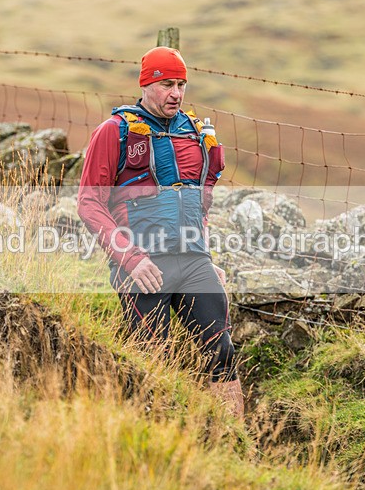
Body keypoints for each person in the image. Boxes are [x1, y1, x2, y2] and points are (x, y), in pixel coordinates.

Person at [77, 46, 244, 419]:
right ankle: (150, 438)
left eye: (181, 84)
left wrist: (207, 257)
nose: (177, 93)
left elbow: (196, 203)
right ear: (147, 84)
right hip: (143, 266)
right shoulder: (114, 132)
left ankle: (236, 442)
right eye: (167, 84)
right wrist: (130, 259)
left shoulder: (198, 135)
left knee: (222, 351)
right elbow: (89, 203)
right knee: (152, 358)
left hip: (193, 260)